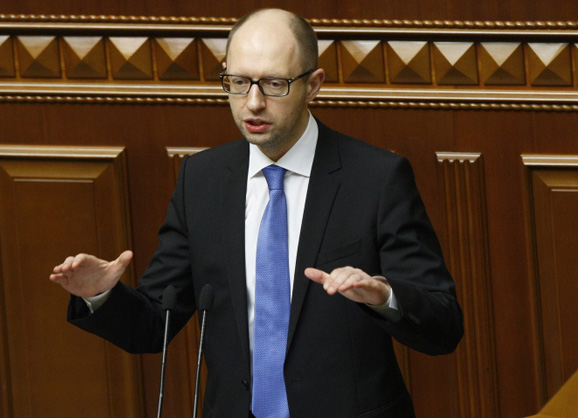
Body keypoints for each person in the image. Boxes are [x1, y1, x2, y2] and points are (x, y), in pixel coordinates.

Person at [50, 8, 463, 418]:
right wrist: (99, 295)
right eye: (238, 82)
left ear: (313, 85)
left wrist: (383, 297)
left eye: (274, 84)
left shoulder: (376, 178)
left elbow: (444, 326)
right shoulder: (202, 180)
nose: (253, 103)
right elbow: (153, 324)